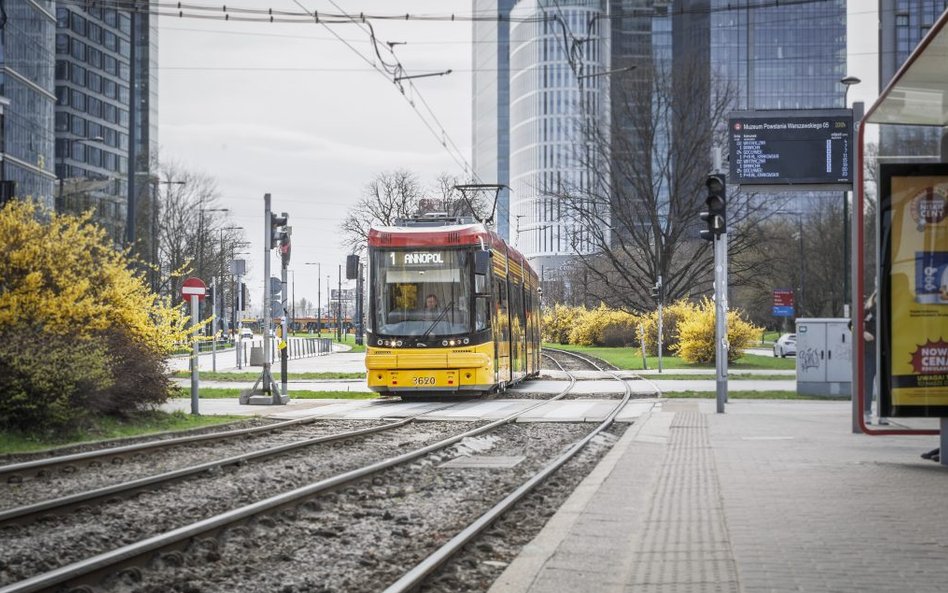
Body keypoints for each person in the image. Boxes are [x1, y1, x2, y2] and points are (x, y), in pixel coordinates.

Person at [863, 290, 877, 423]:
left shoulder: (889, 309)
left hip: (884, 353)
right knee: (868, 383)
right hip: (869, 353)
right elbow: (852, 324)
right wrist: (863, 333)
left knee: (884, 384)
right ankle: (867, 412)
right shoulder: (867, 310)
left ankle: (883, 414)